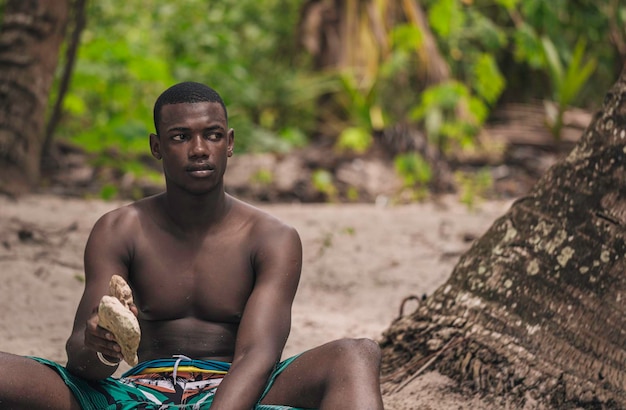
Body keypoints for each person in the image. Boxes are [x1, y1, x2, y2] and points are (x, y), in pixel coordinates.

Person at [0, 81, 384, 409]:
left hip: (237, 394)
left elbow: (258, 354)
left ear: (229, 143)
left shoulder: (271, 237)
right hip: (135, 393)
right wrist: (101, 345)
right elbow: (82, 366)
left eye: (213, 135)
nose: (199, 149)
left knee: (355, 354)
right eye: (181, 137)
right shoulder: (119, 229)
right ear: (157, 146)